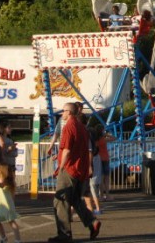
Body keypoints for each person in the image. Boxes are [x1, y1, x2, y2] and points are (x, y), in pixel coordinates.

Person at [49, 102, 101, 243]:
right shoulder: (82, 128)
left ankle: (64, 235)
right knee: (75, 200)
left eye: (63, 111)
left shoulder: (69, 127)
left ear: (69, 113)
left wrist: (61, 166)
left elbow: (67, 149)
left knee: (61, 200)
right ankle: (92, 222)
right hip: (80, 169)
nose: (62, 114)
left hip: (70, 168)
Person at [0, 162, 21, 243]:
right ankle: (4, 237)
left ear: (1, 174)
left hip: (6, 206)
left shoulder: (2, 183)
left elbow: (0, 183)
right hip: (2, 206)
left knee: (11, 221)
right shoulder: (5, 183)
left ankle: (17, 239)